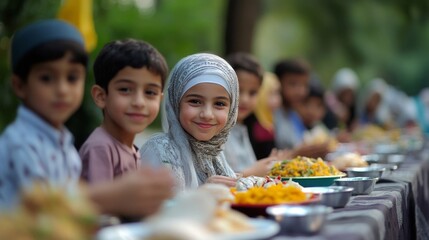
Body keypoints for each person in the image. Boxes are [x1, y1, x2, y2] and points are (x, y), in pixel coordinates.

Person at [0, 19, 173, 217]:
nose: (63, 90)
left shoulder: (62, 142)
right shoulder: (21, 144)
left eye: (72, 78)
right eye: (47, 78)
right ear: (20, 85)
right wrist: (117, 197)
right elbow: (41, 209)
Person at [140, 53, 238, 191]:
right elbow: (149, 208)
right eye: (195, 101)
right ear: (176, 102)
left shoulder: (215, 152)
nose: (207, 114)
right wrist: (202, 194)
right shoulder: (159, 152)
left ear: (232, 109)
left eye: (219, 103)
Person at [79, 39, 168, 184]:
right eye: (125, 90)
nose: (139, 102)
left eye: (150, 92)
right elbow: (97, 204)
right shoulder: (100, 148)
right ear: (101, 96)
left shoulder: (130, 148)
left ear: (160, 98)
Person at [223, 53, 277, 177]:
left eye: (252, 93)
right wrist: (251, 173)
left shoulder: (243, 126)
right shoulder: (214, 131)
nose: (245, 99)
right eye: (238, 90)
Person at [273, 59, 329, 158]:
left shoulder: (293, 114)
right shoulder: (272, 115)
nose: (301, 91)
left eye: (304, 85)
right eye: (293, 84)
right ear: (278, 83)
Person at [244, 72, 282, 159]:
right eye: (272, 93)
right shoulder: (254, 124)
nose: (278, 100)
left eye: (278, 93)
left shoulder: (268, 120)